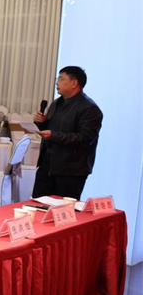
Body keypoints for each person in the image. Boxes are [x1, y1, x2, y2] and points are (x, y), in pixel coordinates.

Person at [33, 66, 103, 200]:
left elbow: (85, 138)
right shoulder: (56, 103)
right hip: (47, 165)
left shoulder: (89, 108)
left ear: (74, 83)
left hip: (70, 171)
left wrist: (53, 135)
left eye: (60, 79)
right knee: (38, 204)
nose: (56, 83)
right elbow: (51, 128)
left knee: (63, 209)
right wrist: (41, 122)